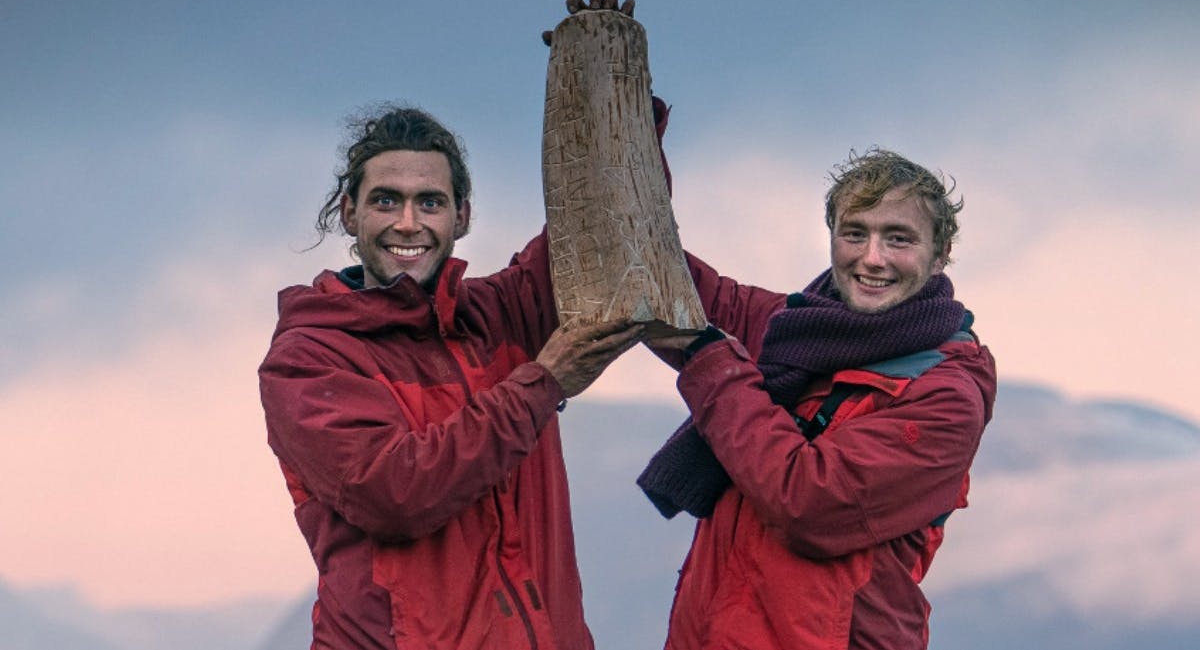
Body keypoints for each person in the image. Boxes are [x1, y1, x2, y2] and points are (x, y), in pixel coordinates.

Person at [257, 101, 647, 646]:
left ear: (461, 216)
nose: (408, 223)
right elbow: (394, 493)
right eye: (386, 200)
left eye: (430, 202)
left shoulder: (498, 314)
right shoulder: (309, 358)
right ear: (349, 213)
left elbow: (594, 241)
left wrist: (615, 107)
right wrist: (541, 385)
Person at [638, 148, 998, 649]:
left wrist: (712, 364)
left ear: (939, 256)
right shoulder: (801, 332)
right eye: (855, 233)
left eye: (899, 238)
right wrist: (633, 144)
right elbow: (674, 286)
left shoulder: (946, 398)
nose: (873, 258)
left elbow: (809, 502)